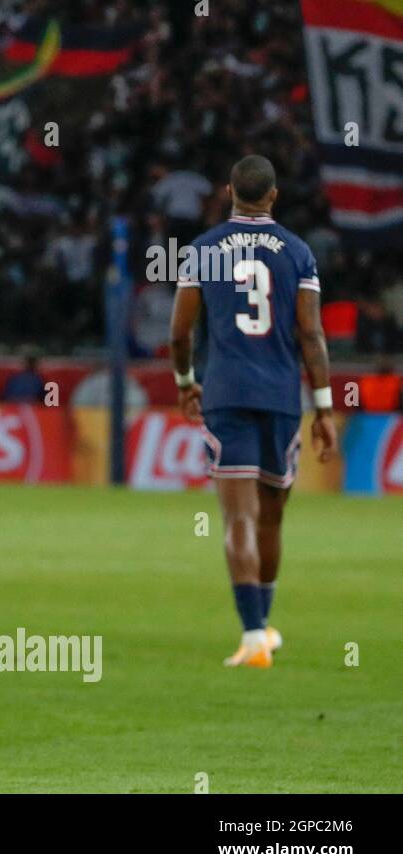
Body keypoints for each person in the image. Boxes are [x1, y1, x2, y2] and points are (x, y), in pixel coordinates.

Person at [169, 154, 337, 669]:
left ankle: (253, 633)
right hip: (282, 396)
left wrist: (185, 382)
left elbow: (180, 331)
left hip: (226, 392)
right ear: (273, 195)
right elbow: (310, 333)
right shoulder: (297, 252)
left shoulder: (203, 250)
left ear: (228, 192)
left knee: (237, 516)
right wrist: (325, 407)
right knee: (272, 516)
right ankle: (262, 626)